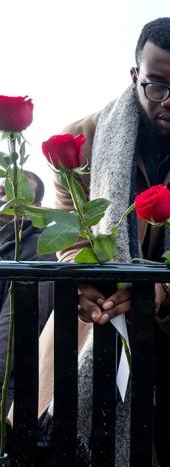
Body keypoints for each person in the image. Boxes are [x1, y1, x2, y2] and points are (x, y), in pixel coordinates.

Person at [34, 17, 170, 465]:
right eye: (158, 85)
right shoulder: (80, 140)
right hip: (92, 323)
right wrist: (87, 285)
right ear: (135, 77)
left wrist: (161, 289)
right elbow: (72, 234)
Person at [0, 171, 56, 405]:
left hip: (7, 387)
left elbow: (16, 322)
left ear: (37, 205)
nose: (6, 199)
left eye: (17, 193)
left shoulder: (41, 247)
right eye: (2, 192)